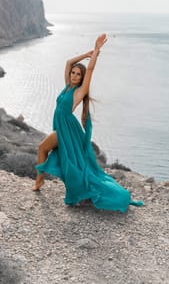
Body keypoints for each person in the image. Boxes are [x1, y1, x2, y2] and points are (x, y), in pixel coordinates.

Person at [32, 34, 143, 213]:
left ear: (82, 78)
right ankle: (42, 180)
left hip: (68, 130)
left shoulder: (79, 91)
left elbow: (90, 70)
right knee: (67, 162)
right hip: (61, 127)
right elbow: (68, 62)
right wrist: (85, 54)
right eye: (74, 73)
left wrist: (96, 52)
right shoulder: (67, 86)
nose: (75, 75)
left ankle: (39, 181)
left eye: (78, 74)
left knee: (45, 149)